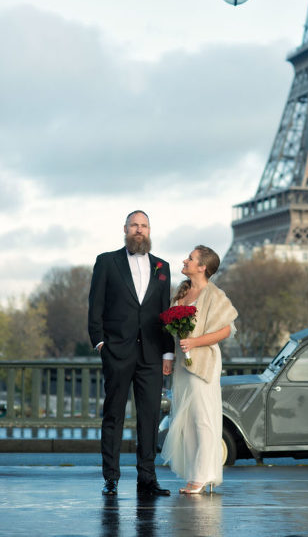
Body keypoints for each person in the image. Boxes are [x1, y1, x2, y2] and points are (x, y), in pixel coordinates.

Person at [88, 210, 174, 497]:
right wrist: (100, 343)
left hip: (151, 354)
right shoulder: (106, 262)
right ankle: (111, 478)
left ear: (149, 231)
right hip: (117, 351)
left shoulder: (163, 266)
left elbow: (165, 313)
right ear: (125, 229)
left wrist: (168, 353)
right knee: (113, 415)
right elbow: (95, 306)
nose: (139, 230)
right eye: (135, 225)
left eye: (144, 226)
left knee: (149, 418)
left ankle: (147, 479)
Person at [162, 245, 238, 494]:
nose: (185, 260)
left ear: (202, 267)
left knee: (203, 419)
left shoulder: (215, 294)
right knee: (187, 420)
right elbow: (173, 332)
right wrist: (172, 355)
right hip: (184, 364)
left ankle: (204, 475)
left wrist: (195, 342)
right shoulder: (181, 292)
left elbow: (226, 330)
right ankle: (195, 473)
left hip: (204, 362)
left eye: (191, 258)